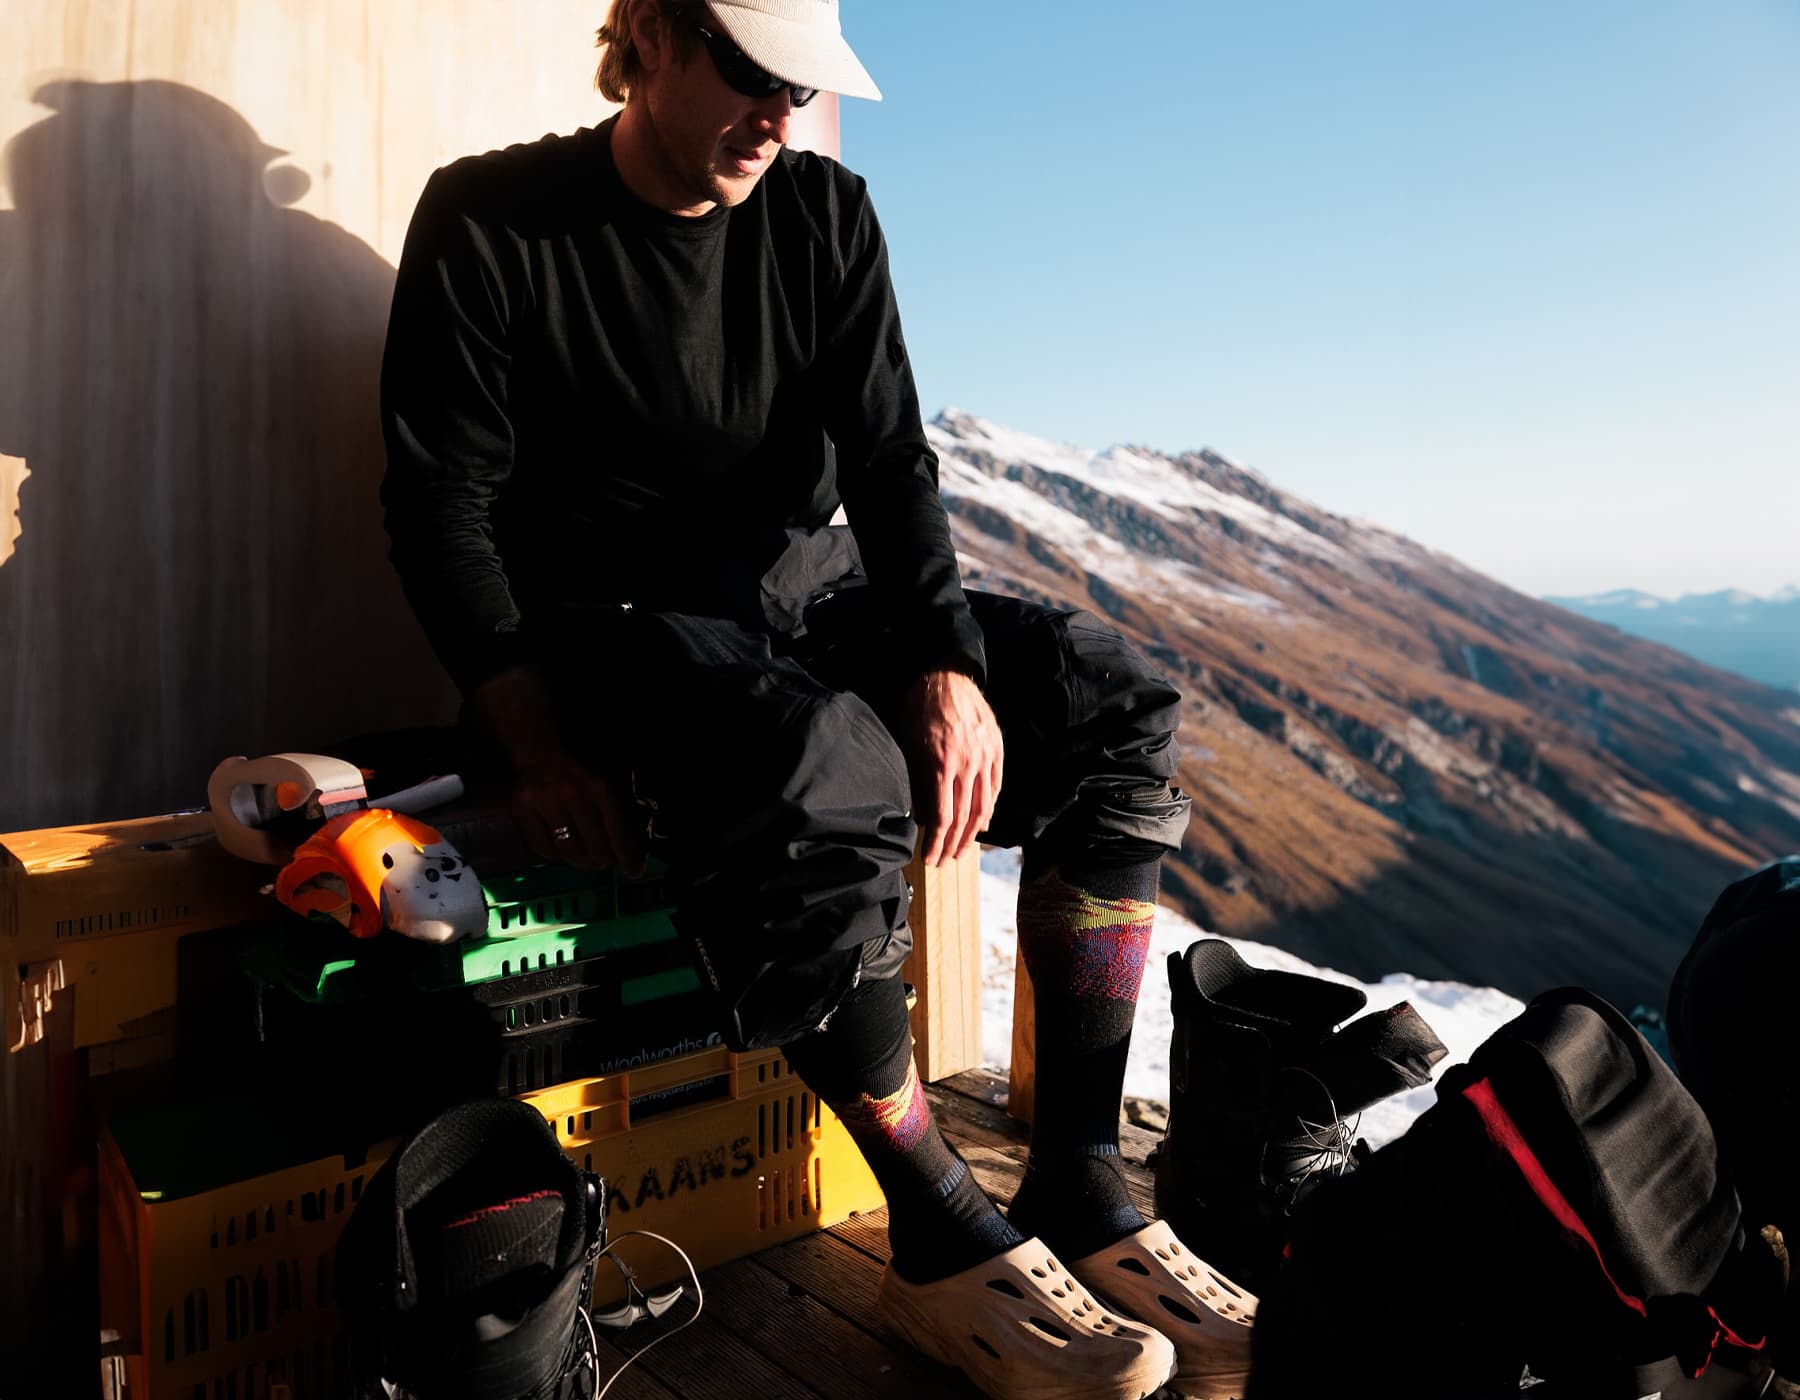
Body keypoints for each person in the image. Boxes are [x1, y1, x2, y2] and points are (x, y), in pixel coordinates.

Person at [378, 2, 1245, 1395]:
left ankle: (1081, 1178)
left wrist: (950, 662)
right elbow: (440, 507)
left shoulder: (823, 211)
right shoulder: (492, 221)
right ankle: (938, 1229)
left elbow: (892, 460)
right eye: (754, 75)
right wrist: (529, 735)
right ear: (651, 34)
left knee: (1109, 701)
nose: (782, 116)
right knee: (822, 764)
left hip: (814, 597)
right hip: (623, 629)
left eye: (803, 86)